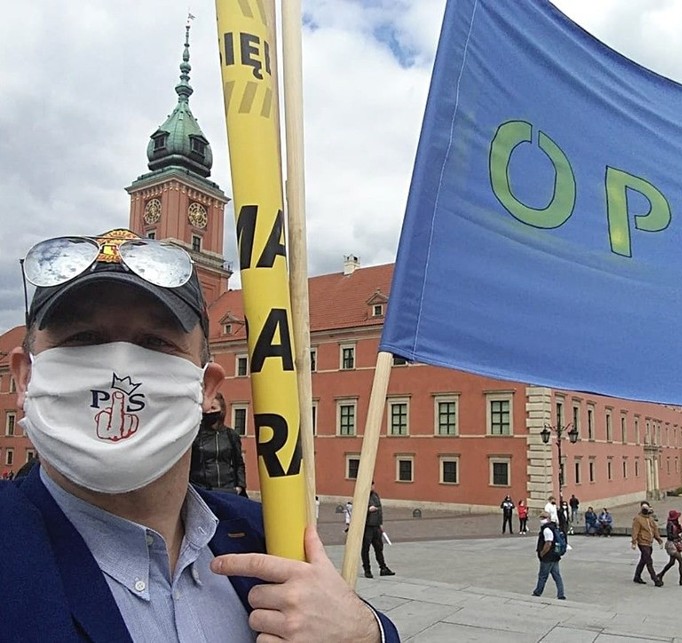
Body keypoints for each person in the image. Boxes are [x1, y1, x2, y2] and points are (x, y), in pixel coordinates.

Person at [1, 229, 398, 642]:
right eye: (83, 339)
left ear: (207, 390)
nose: (119, 366)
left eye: (155, 342)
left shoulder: (265, 533)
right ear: (24, 378)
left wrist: (364, 633)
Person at [189, 392, 246, 495]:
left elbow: (239, 463)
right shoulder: (195, 435)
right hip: (202, 490)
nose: (209, 411)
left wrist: (240, 487)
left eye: (213, 408)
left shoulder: (231, 435)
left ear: (222, 410)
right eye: (207, 408)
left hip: (228, 490)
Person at [363, 481, 395, 578]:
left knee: (379, 548)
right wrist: (368, 510)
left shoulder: (375, 495)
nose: (372, 487)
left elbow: (380, 511)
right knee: (365, 549)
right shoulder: (363, 496)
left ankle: (383, 568)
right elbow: (359, 509)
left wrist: (380, 524)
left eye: (373, 485)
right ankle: (367, 569)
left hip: (376, 526)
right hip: (367, 526)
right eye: (370, 485)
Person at [532, 511, 566, 600]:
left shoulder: (547, 530)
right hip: (555, 556)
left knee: (543, 576)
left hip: (548, 557)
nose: (541, 520)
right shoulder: (554, 527)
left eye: (542, 518)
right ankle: (561, 594)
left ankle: (537, 592)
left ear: (547, 518)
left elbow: (548, 543)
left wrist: (542, 553)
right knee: (557, 576)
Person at [631, 501, 664, 586]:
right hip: (642, 542)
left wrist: (659, 539)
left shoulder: (650, 518)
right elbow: (635, 531)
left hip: (649, 542)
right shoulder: (638, 519)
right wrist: (634, 542)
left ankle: (637, 576)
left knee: (643, 560)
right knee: (649, 561)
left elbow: (655, 529)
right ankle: (655, 579)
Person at [659, 509, 682, 586]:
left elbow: (679, 531)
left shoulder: (674, 524)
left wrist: (678, 526)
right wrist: (676, 537)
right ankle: (681, 579)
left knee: (671, 562)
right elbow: (670, 536)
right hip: (671, 545)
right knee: (681, 561)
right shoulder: (670, 525)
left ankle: (661, 574)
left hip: (674, 544)